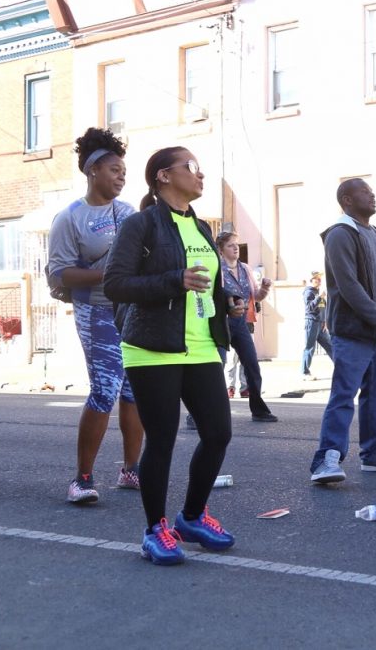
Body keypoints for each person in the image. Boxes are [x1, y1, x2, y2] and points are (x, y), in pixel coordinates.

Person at [104, 147, 237, 565]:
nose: (201, 175)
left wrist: (225, 300)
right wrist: (172, 280)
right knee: (161, 439)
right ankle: (154, 529)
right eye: (192, 167)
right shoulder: (141, 225)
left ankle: (192, 517)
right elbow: (115, 284)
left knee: (217, 433)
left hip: (200, 346)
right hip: (152, 347)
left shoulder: (199, 227)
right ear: (163, 176)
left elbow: (203, 284)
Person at [48, 126, 143, 504]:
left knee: (134, 390)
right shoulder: (70, 218)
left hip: (130, 311)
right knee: (105, 388)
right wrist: (109, 275)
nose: (122, 177)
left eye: (124, 171)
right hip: (95, 309)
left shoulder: (130, 213)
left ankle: (130, 470)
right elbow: (59, 274)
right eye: (115, 170)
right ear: (93, 172)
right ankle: (82, 479)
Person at [310, 178, 376, 484]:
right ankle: (327, 460)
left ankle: (374, 453)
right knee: (344, 394)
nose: (373, 196)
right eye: (365, 193)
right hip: (353, 332)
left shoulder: (375, 233)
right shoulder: (340, 234)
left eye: (372, 191)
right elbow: (348, 286)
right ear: (347, 200)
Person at [216, 231, 275, 421]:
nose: (235, 248)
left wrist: (264, 289)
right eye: (230, 245)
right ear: (220, 249)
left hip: (241, 322)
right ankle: (198, 414)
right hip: (220, 321)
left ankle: (259, 410)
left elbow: (254, 297)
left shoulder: (245, 269)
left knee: (251, 364)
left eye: (236, 244)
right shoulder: (216, 268)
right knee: (216, 367)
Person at [302, 271, 332, 377]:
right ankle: (305, 373)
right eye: (316, 279)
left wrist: (324, 321)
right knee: (310, 348)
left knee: (330, 346)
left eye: (319, 279)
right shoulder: (308, 292)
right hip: (312, 322)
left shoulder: (318, 292)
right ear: (311, 281)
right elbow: (309, 307)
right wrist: (319, 297)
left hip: (320, 324)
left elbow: (323, 308)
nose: (319, 280)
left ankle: (341, 367)